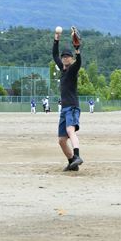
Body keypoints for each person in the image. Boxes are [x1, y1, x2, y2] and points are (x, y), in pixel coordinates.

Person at [52, 26, 84, 172]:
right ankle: (72, 162)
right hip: (64, 109)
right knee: (61, 140)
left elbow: (79, 63)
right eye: (64, 56)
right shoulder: (63, 69)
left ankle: (77, 155)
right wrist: (56, 39)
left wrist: (77, 50)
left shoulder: (72, 70)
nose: (65, 58)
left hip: (72, 107)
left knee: (71, 131)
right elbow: (54, 55)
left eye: (67, 56)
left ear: (71, 59)